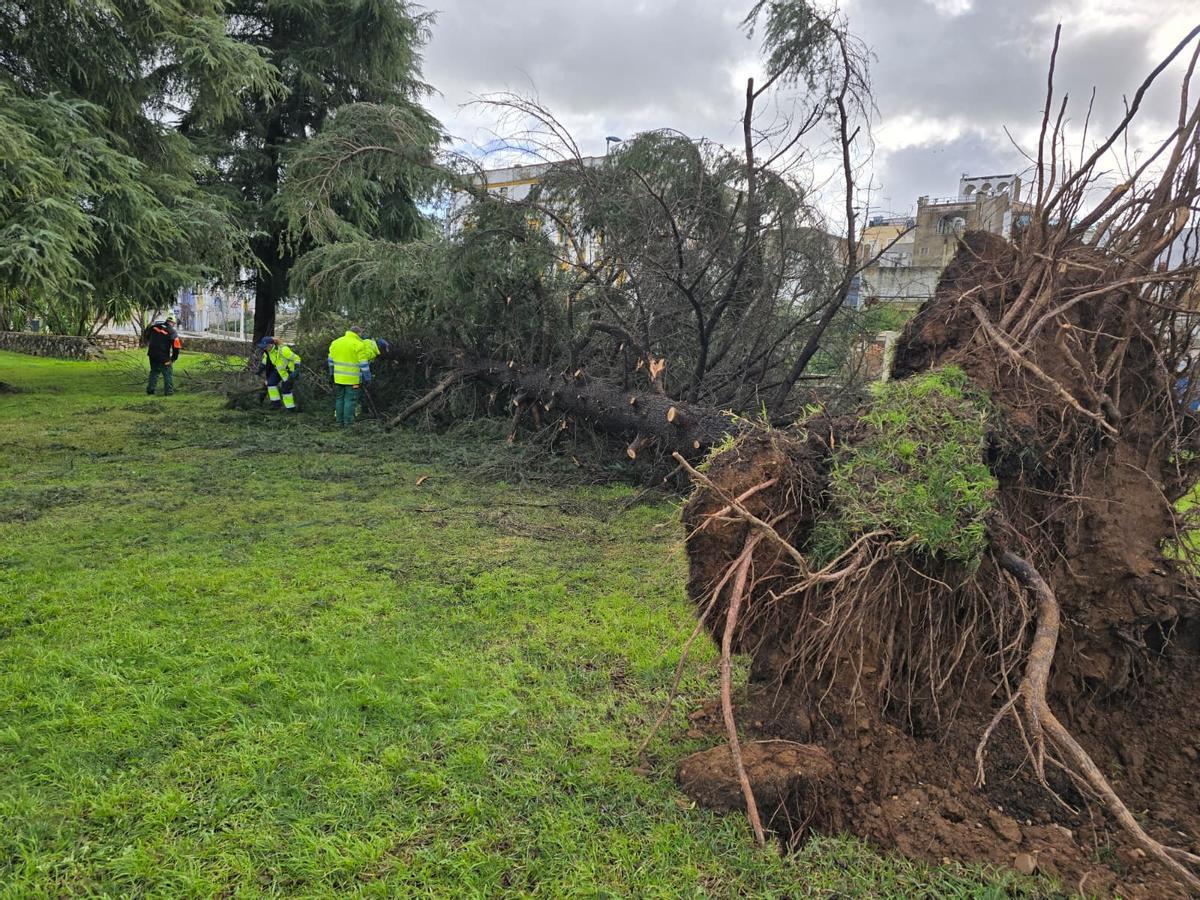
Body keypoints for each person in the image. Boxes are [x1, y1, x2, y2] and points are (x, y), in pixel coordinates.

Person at [327, 326, 388, 426]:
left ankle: (339, 422)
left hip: (338, 378)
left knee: (339, 399)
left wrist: (331, 374)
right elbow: (364, 364)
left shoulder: (336, 342)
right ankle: (348, 423)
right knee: (350, 400)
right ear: (358, 333)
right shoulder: (359, 345)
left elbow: (330, 361)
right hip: (352, 380)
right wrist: (368, 378)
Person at [256, 336, 302, 412]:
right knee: (270, 384)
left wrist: (296, 370)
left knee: (285, 389)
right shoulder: (268, 352)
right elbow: (265, 361)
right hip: (278, 371)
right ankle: (276, 405)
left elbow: (297, 358)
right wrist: (260, 370)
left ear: (271, 345)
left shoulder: (283, 350)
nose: (264, 348)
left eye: (265, 346)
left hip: (289, 372)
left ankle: (290, 408)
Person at [144, 311, 181, 395]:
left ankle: (150, 390)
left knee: (154, 371)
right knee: (167, 373)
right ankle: (169, 392)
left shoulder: (154, 327)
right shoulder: (172, 332)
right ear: (173, 323)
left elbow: (146, 335)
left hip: (152, 354)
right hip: (163, 356)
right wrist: (173, 358)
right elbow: (176, 346)